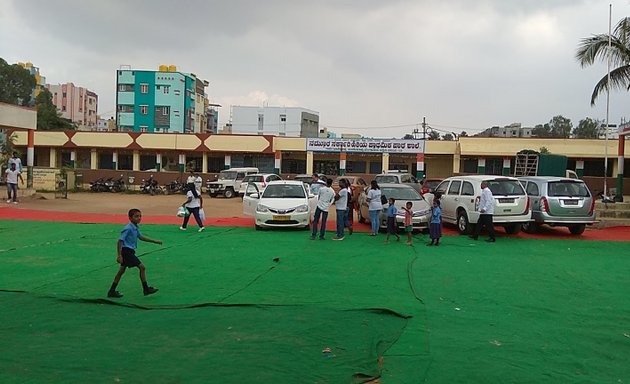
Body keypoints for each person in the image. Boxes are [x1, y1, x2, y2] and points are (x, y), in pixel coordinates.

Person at [107, 208, 161, 298]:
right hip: (127, 252)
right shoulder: (128, 228)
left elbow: (140, 237)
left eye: (140, 216)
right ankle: (146, 289)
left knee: (121, 271)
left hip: (129, 251)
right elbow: (120, 241)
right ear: (130, 218)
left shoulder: (135, 227)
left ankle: (111, 291)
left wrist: (154, 241)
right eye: (136, 216)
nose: (139, 218)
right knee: (142, 267)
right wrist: (119, 255)